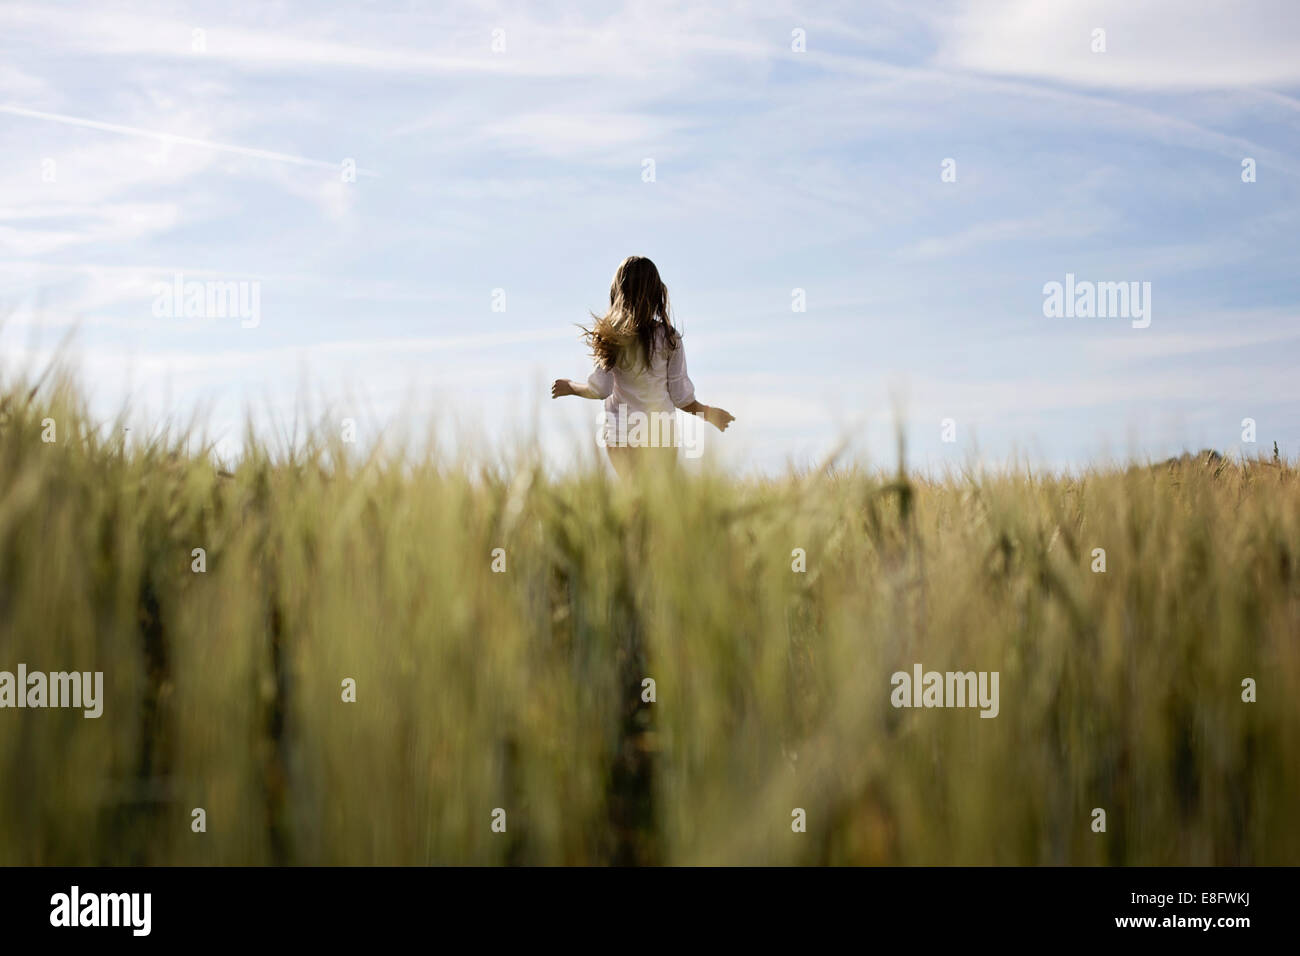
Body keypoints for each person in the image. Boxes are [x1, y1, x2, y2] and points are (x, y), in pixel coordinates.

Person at [552, 256, 734, 477]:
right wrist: (708, 413)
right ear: (657, 293)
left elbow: (600, 389)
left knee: (633, 503)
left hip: (622, 435)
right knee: (657, 505)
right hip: (661, 435)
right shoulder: (669, 338)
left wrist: (570, 386)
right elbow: (681, 397)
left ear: (617, 292)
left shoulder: (610, 336)